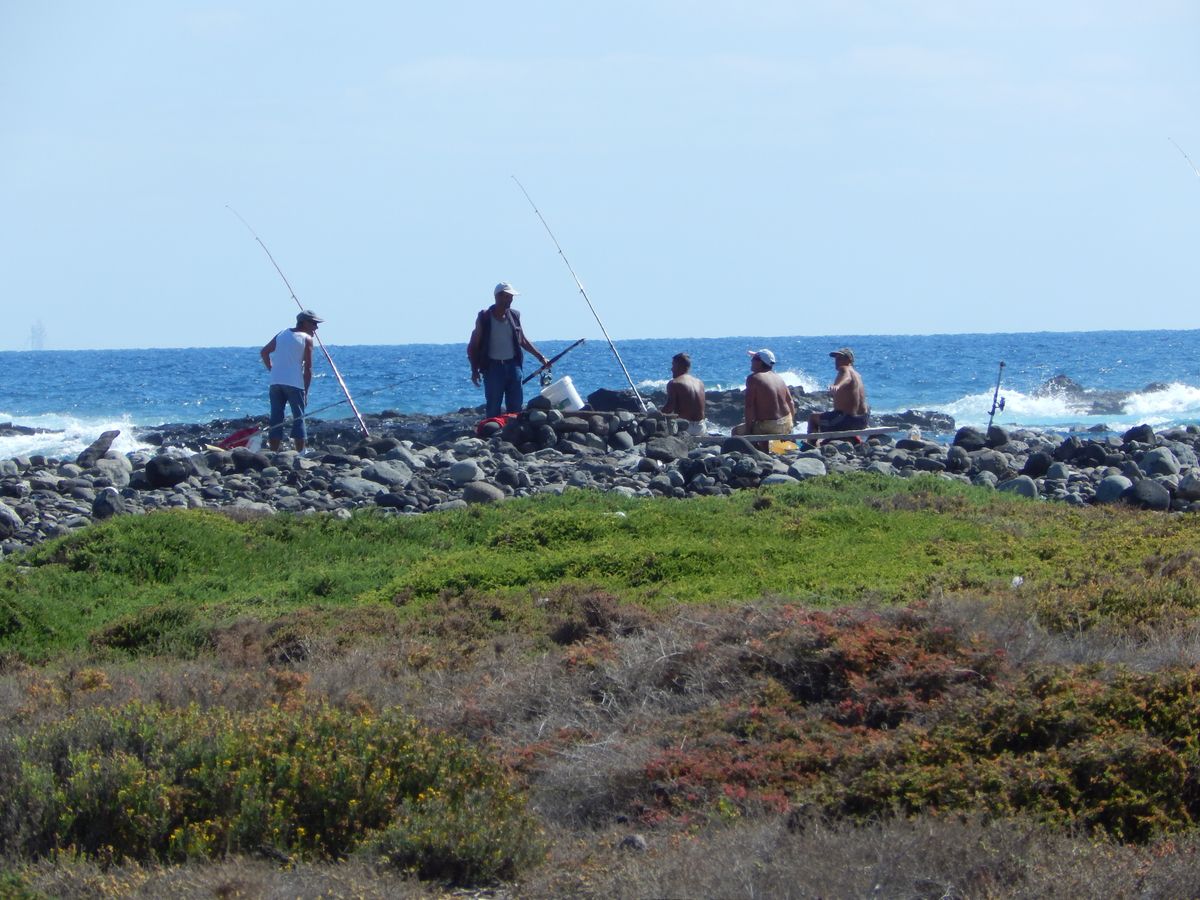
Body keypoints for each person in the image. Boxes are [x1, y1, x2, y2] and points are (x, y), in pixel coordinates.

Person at [467, 282, 549, 418]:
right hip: (492, 368)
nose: (510, 300)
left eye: (511, 297)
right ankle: (492, 433)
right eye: (507, 297)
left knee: (516, 407)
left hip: (513, 366)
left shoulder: (515, 316)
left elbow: (522, 340)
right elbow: (473, 346)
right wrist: (474, 370)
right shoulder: (484, 317)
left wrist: (541, 357)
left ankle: (512, 435)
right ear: (498, 297)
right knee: (493, 406)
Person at [260, 309, 320, 452]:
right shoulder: (307, 339)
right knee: (298, 417)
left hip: (275, 382)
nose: (316, 327)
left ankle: (274, 452)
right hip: (295, 384)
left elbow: (264, 352)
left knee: (276, 417)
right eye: (313, 323)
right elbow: (308, 368)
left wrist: (272, 369)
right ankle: (301, 453)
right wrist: (306, 391)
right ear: (304, 323)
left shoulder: (282, 334)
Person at [732, 348, 796, 439]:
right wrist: (791, 423)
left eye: (754, 359)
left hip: (770, 426)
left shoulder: (753, 378)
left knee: (735, 431)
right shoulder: (779, 378)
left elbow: (749, 406)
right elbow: (790, 402)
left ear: (760, 362)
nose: (751, 361)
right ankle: (764, 450)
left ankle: (755, 452)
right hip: (787, 422)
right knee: (759, 423)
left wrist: (748, 430)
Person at [808, 347, 870, 434]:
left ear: (849, 360)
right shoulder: (858, 375)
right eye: (836, 358)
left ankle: (810, 446)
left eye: (840, 358)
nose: (837, 361)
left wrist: (837, 385)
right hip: (862, 421)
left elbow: (847, 377)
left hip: (847, 421)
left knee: (813, 418)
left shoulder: (844, 368)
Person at [661, 352, 707, 435]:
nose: (671, 369)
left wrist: (656, 415)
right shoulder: (700, 383)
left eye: (673, 365)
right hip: (701, 427)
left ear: (679, 366)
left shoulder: (674, 383)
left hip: (685, 427)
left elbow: (669, 408)